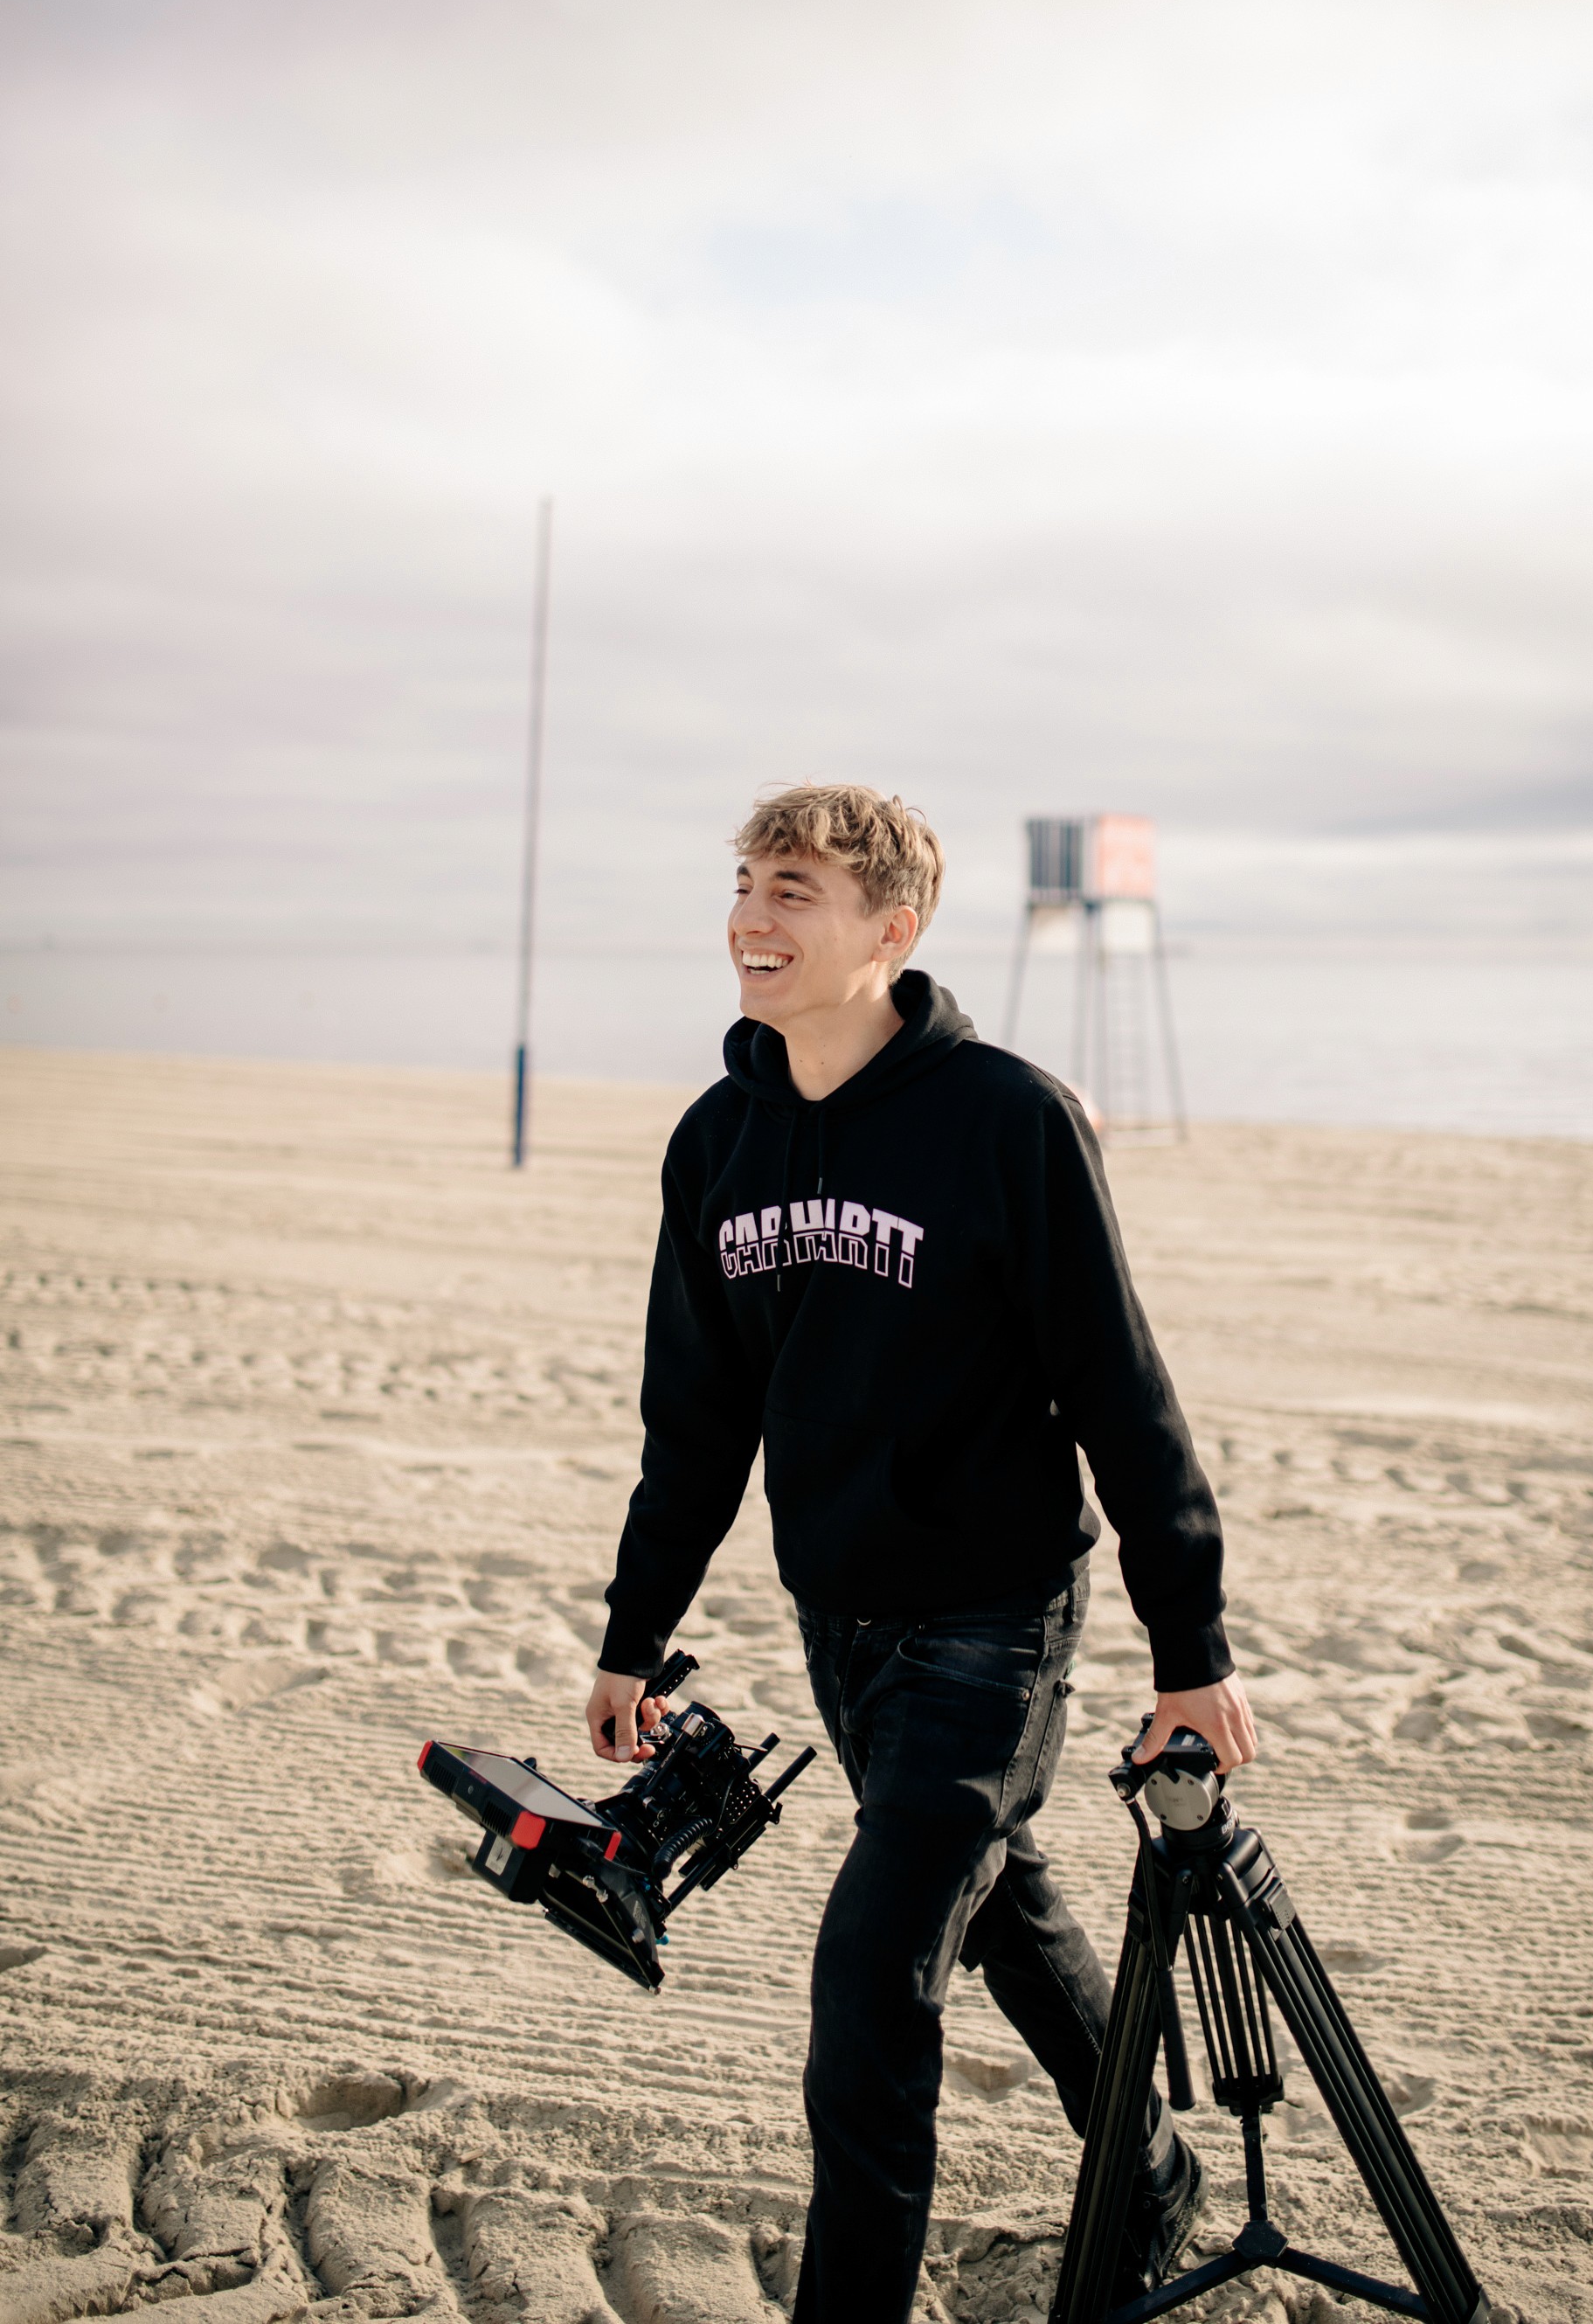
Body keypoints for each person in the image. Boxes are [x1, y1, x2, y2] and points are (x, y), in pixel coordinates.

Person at [586, 783, 1257, 2323]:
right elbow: (693, 1423)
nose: (752, 917)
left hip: (994, 1623)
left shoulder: (1007, 1120)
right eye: (746, 882)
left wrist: (1190, 1651)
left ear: (893, 931)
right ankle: (1150, 2182)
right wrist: (636, 1630)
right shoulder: (717, 1142)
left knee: (874, 1974)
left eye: (796, 890)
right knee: (1006, 1906)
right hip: (842, 1621)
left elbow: (1119, 1388)